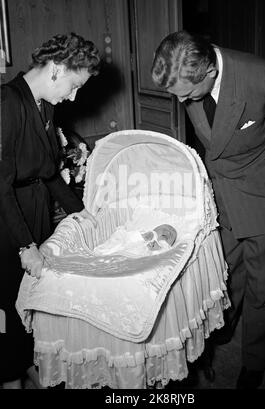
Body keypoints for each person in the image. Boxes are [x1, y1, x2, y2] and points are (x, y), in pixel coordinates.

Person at [151, 30, 265, 389]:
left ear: (209, 73)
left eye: (185, 94)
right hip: (223, 195)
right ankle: (222, 326)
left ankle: (255, 360)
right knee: (224, 272)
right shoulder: (189, 80)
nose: (180, 101)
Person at [0, 32, 101, 389]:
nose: (74, 96)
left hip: (37, 210)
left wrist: (82, 213)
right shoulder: (7, 102)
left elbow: (50, 173)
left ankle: (30, 364)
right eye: (74, 85)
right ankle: (9, 374)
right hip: (8, 222)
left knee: (34, 301)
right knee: (9, 307)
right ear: (57, 68)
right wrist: (25, 245)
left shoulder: (45, 104)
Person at [94, 223, 177, 257]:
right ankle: (103, 255)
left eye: (172, 235)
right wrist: (141, 236)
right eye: (164, 228)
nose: (169, 231)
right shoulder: (144, 234)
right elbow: (126, 238)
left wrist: (158, 249)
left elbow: (162, 260)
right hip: (122, 251)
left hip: (136, 262)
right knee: (120, 236)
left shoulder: (166, 248)